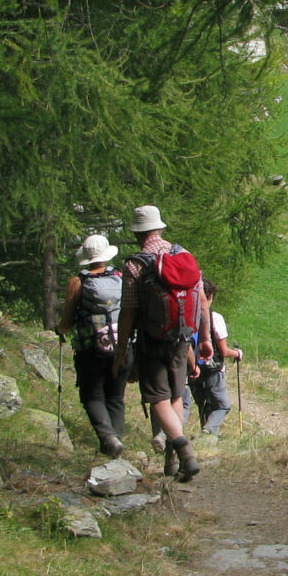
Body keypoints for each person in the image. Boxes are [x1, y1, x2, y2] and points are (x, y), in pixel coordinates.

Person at [112, 205, 212, 481]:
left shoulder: (135, 264)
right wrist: (204, 338)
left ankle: (184, 450)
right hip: (182, 338)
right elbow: (201, 300)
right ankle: (173, 459)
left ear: (137, 234)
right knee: (177, 396)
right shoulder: (184, 256)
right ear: (160, 228)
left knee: (158, 399)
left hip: (152, 339)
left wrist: (121, 350)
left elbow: (129, 311)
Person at [55, 233, 127, 457]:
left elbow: (67, 321)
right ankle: (116, 442)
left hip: (91, 348)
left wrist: (60, 330)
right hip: (122, 347)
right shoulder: (121, 278)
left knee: (92, 395)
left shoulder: (78, 282)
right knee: (115, 397)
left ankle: (108, 439)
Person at [188, 279, 242, 438]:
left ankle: (207, 438)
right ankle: (209, 430)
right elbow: (224, 351)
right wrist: (238, 354)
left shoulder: (187, 315)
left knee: (203, 404)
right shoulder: (215, 318)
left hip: (191, 367)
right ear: (209, 296)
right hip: (212, 367)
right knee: (222, 405)